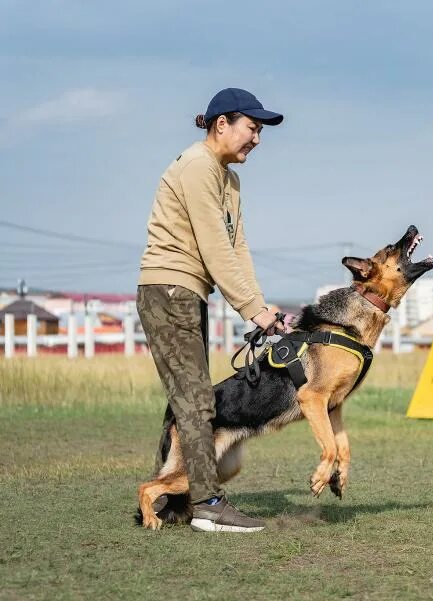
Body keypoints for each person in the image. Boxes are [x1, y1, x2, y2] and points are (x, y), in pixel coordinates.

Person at [137, 88, 285, 533]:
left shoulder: (229, 180)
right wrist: (253, 310)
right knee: (197, 401)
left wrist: (263, 308)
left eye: (260, 131)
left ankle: (175, 501)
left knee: (190, 399)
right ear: (222, 123)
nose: (257, 138)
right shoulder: (198, 166)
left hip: (189, 293)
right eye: (252, 127)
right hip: (168, 290)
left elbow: (238, 249)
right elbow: (214, 246)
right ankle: (207, 504)